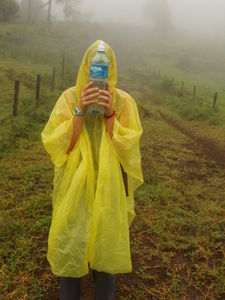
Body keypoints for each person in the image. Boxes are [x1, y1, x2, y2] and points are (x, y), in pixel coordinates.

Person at [41, 40, 144, 300]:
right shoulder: (69, 98)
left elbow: (126, 149)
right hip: (75, 187)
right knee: (73, 237)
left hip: (108, 188)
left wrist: (110, 112)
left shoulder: (124, 102)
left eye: (104, 69)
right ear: (86, 68)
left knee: (106, 241)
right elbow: (59, 146)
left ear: (111, 70)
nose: (98, 74)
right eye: (94, 67)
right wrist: (80, 110)